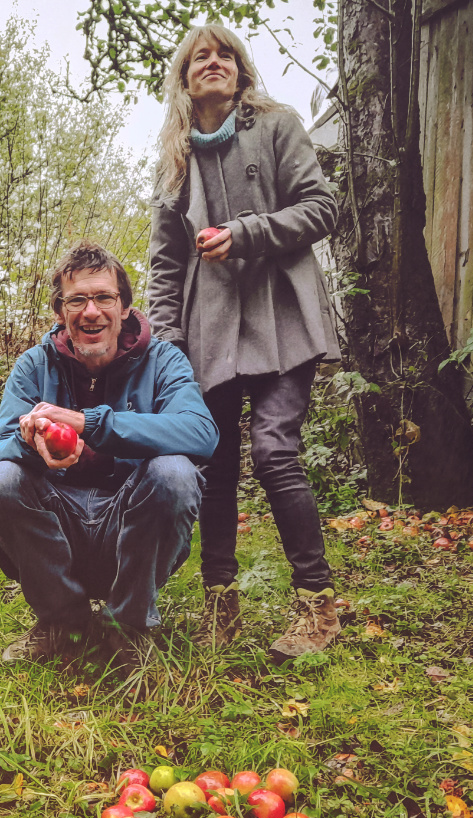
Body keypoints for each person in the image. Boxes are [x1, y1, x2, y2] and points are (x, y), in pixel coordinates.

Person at [144, 24, 342, 661]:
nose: (213, 61)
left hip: (284, 318)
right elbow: (165, 264)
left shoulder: (278, 126)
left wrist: (250, 232)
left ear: (240, 69)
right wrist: (168, 341)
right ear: (184, 77)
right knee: (215, 464)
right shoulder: (175, 158)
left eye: (224, 53)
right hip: (210, 333)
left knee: (274, 450)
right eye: (200, 56)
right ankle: (219, 606)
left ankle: (317, 604)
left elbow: (322, 207)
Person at [0, 241, 218, 669]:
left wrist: (89, 424)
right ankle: (62, 623)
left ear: (125, 307)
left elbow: (201, 432)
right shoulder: (33, 365)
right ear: (59, 312)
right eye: (77, 300)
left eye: (104, 297)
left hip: (131, 519)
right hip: (59, 520)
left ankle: (127, 626)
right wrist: (32, 443)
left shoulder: (164, 359)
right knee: (2, 479)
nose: (91, 312)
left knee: (175, 472)